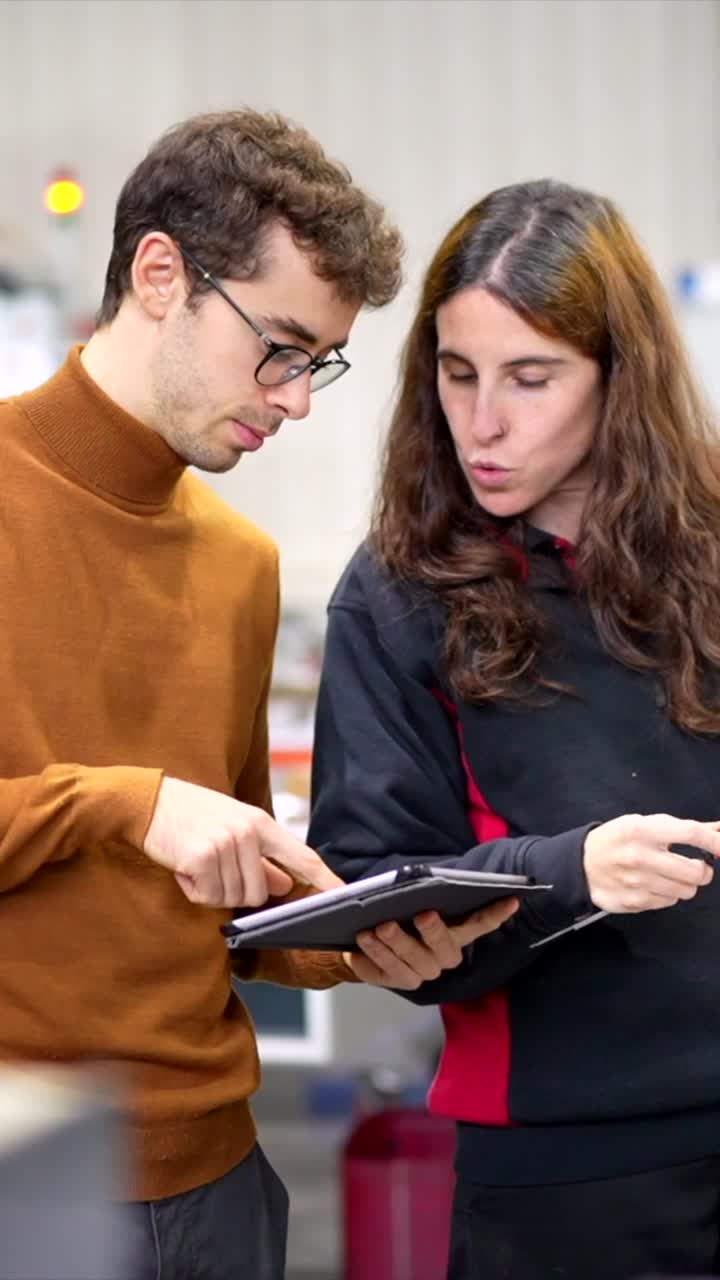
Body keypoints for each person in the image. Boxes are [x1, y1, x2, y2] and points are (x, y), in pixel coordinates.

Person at [0, 110, 517, 1280]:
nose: (295, 401)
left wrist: (349, 939)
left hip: (223, 1182)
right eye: (279, 347)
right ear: (159, 272)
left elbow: (222, 901)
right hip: (25, 1171)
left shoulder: (241, 563)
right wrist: (124, 803)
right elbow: (141, 815)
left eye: (318, 362)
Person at [308, 178, 720, 1280]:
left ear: (616, 382)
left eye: (530, 379)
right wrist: (572, 870)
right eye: (456, 374)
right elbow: (375, 895)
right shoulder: (397, 596)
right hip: (568, 1179)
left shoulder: (711, 554)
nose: (482, 421)